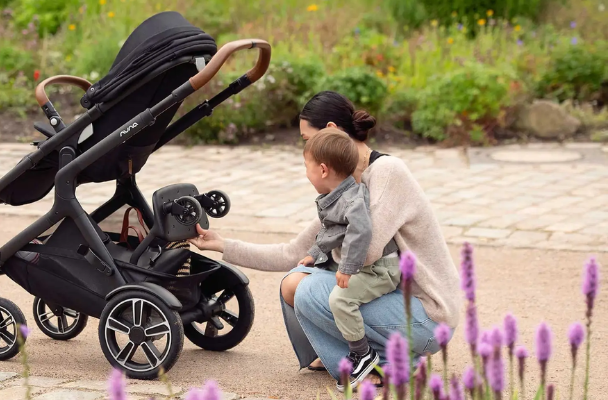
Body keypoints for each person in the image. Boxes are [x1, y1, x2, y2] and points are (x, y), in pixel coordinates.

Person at [189, 91, 461, 388]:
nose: (305, 149)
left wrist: (321, 255)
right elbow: (292, 252)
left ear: (330, 131)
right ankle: (355, 358)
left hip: (428, 317)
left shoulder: (387, 172)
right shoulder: (344, 187)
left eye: (307, 140)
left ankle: (382, 364)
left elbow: (366, 252)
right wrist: (222, 244)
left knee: (305, 288)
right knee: (295, 279)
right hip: (395, 303)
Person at [298, 128, 401, 388]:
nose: (306, 173)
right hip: (366, 268)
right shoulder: (337, 197)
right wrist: (314, 254)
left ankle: (363, 354)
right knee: (333, 294)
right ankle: (348, 352)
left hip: (380, 270)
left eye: (306, 166)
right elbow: (332, 230)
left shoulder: (352, 198)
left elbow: (360, 231)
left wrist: (347, 267)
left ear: (322, 170)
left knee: (340, 299)